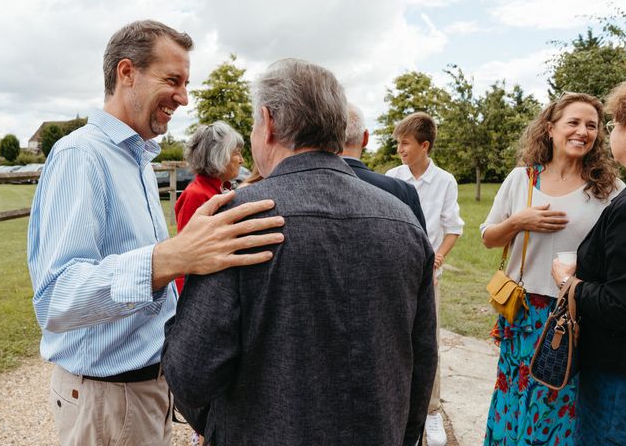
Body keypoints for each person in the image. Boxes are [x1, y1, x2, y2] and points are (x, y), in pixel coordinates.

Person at [27, 20, 284, 446]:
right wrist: (172, 257)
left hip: (142, 390)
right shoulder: (81, 156)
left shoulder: (138, 160)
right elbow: (57, 298)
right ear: (126, 73)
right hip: (107, 399)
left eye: (185, 83)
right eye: (173, 80)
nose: (183, 97)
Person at [162, 58, 438, 446]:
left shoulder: (237, 220)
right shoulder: (404, 221)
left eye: (255, 126)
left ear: (268, 123)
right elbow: (421, 364)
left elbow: (190, 374)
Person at [481, 92, 623, 445]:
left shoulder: (609, 190)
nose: (582, 131)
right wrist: (518, 220)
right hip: (521, 313)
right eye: (572, 122)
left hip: (570, 316)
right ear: (550, 128)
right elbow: (488, 237)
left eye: (591, 125)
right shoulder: (522, 179)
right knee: (513, 394)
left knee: (555, 403)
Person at [551, 82, 626, 445]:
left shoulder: (625, 204)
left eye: (612, 123)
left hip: (617, 372)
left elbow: (622, 304)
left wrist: (572, 284)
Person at [386, 111, 464, 446]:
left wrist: (440, 254)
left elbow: (454, 227)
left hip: (429, 277)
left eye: (405, 143)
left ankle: (431, 412)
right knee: (393, 340)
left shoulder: (445, 181)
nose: (400, 148)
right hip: (396, 273)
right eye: (398, 142)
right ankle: (398, 404)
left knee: (427, 343)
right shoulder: (392, 177)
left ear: (424, 145)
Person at [174, 121, 245, 294]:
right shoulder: (197, 194)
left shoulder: (219, 190)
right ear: (219, 156)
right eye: (237, 153)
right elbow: (185, 255)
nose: (242, 160)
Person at [341, 103, 426, 230]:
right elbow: (421, 247)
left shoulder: (303, 188)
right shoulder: (402, 192)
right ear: (365, 138)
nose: (399, 149)